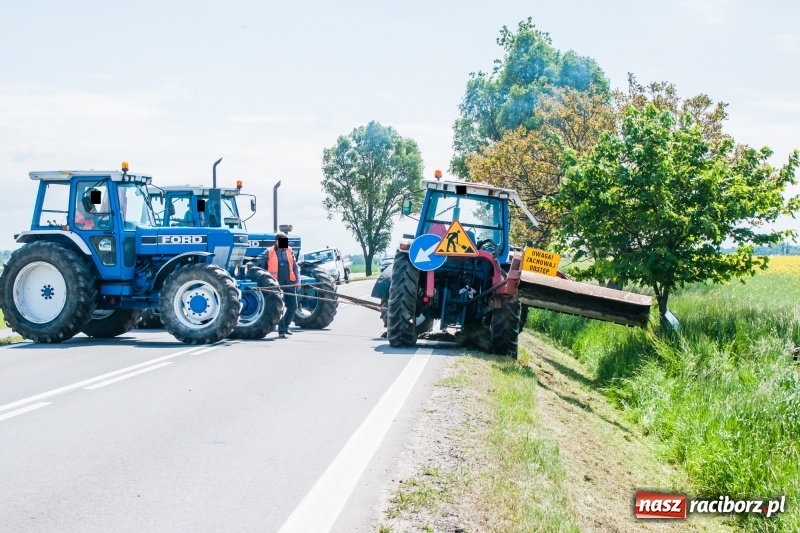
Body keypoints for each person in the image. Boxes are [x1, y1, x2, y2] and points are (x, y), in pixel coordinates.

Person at [259, 232, 300, 338]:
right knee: (279, 307)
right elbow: (259, 260)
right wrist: (249, 264)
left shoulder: (289, 250)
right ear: (276, 242)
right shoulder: (269, 251)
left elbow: (295, 267)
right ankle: (282, 330)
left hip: (289, 281)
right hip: (276, 282)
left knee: (293, 306)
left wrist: (297, 280)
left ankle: (286, 326)